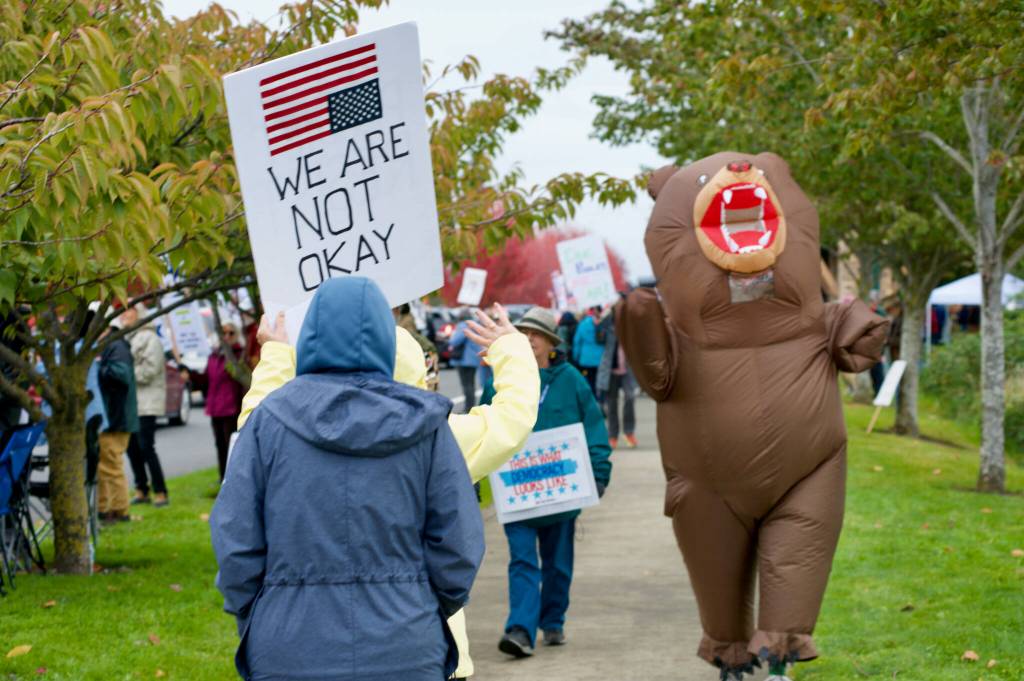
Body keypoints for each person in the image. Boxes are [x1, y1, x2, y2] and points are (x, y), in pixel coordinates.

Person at [239, 301, 540, 681]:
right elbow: (512, 418)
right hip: (412, 642)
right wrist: (512, 350)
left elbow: (249, 435)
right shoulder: (438, 436)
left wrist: (277, 356)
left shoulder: (280, 436)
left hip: (299, 646)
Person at [482, 306, 612, 658]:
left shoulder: (571, 380)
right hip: (517, 492)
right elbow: (483, 425)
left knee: (557, 564)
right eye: (522, 333)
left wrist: (599, 473)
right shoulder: (501, 378)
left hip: (561, 494)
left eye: (536, 334)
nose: (529, 340)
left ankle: (553, 619)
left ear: (551, 342)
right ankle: (520, 629)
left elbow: (594, 428)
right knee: (522, 561)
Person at [182, 323, 246, 481]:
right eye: (223, 333)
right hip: (216, 407)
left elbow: (243, 381)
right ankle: (222, 475)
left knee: (232, 444)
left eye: (231, 333)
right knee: (220, 444)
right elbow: (205, 379)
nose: (227, 336)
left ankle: (233, 477)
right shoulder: (214, 355)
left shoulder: (238, 355)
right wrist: (189, 373)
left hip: (232, 408)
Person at [123, 305, 169, 507]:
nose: (125, 314)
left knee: (146, 446)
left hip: (147, 402)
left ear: (139, 313)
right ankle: (141, 488)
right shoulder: (128, 338)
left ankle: (161, 491)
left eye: (129, 309)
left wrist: (126, 374)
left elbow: (151, 369)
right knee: (132, 447)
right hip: (132, 403)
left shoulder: (150, 338)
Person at [97, 315, 139, 524]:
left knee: (111, 466)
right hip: (115, 416)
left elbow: (121, 374)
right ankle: (105, 508)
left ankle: (120, 510)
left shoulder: (115, 345)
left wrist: (98, 368)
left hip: (117, 417)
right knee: (105, 466)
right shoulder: (112, 344)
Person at [596, 308, 637, 449]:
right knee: (612, 404)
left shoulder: (630, 327)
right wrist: (599, 323)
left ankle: (629, 432)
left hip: (627, 371)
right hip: (611, 371)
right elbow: (599, 339)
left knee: (630, 398)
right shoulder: (607, 326)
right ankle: (613, 436)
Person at [449, 317, 483, 412]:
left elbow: (455, 341)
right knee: (471, 384)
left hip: (464, 360)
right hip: (474, 358)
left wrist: (451, 338)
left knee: (466, 384)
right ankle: (471, 406)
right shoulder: (476, 326)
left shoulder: (462, 326)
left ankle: (468, 408)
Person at [571, 306, 604, 395]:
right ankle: (599, 398)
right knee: (599, 381)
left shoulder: (582, 324)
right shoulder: (603, 323)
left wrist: (576, 357)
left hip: (586, 359)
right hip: (601, 359)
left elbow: (577, 342)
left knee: (588, 380)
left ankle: (591, 397)